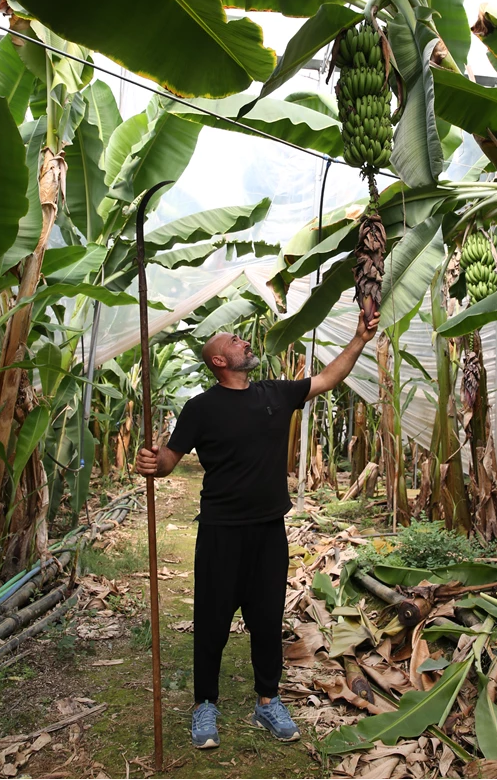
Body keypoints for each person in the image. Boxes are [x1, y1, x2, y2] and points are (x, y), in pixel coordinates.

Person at [136, 310, 379, 749]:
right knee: (211, 622)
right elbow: (171, 459)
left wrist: (360, 338)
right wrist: (153, 464)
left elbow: (326, 379)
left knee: (267, 620)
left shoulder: (275, 394)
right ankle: (204, 705)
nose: (243, 343)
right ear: (218, 361)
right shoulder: (201, 408)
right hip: (220, 531)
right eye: (233, 342)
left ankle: (267, 701)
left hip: (269, 530)